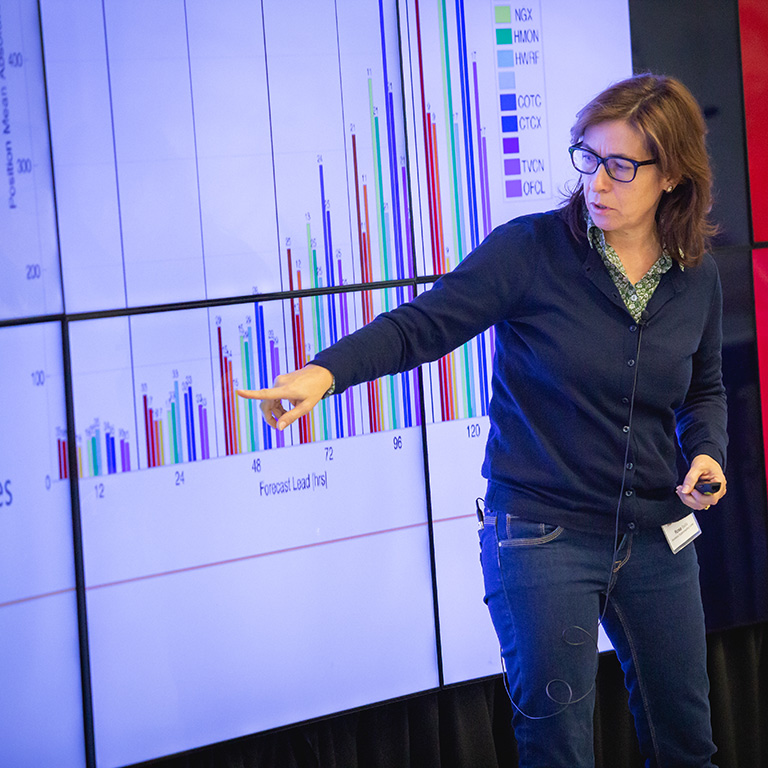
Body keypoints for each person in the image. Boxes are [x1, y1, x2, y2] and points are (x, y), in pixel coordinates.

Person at [238, 73, 728, 768]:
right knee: (556, 750)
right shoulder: (531, 250)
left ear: (673, 174)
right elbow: (424, 325)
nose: (598, 181)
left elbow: (704, 389)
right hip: (543, 534)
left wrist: (706, 452)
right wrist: (327, 371)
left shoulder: (695, 275)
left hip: (657, 533)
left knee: (689, 748)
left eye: (621, 165)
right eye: (587, 158)